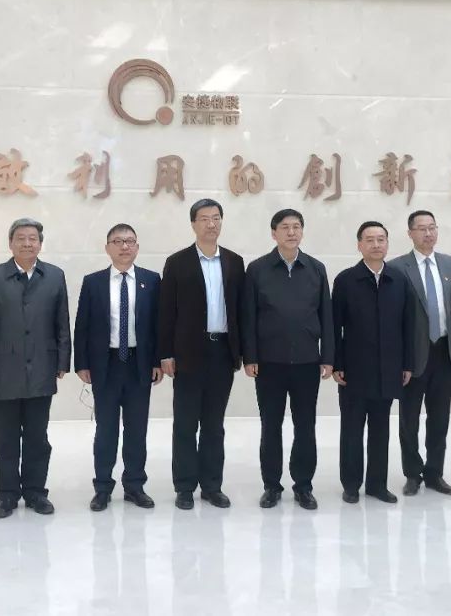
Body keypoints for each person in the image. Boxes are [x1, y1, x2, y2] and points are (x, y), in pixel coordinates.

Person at [0, 218, 70, 518]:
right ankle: (6, 495)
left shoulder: (54, 276)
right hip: (3, 371)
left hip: (42, 368)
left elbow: (62, 322)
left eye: (33, 238)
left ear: (40, 243)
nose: (27, 243)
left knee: (37, 438)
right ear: (10, 243)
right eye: (21, 238)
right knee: (4, 440)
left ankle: (35, 493)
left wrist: (62, 361)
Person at [241, 209, 333, 510]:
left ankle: (303, 486)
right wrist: (250, 356)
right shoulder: (258, 269)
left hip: (307, 361)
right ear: (274, 233)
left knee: (305, 425)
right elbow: (248, 316)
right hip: (269, 363)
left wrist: (328, 357)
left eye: (296, 227)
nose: (291, 232)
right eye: (285, 227)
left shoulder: (316, 269)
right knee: (271, 426)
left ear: (302, 231)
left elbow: (326, 316)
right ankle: (271, 485)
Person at [159, 198, 245, 510]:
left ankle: (211, 486)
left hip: (222, 351)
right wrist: (165, 353)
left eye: (216, 217)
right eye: (205, 218)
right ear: (193, 224)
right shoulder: (177, 262)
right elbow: (166, 311)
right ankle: (184, 487)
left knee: (214, 424)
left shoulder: (234, 262)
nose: (211, 224)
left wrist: (244, 352)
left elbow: (241, 310)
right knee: (185, 423)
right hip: (187, 353)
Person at [74, 224, 162, 511]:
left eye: (130, 241)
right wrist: (82, 363)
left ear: (137, 246)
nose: (125, 246)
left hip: (139, 364)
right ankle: (102, 487)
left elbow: (158, 325)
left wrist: (157, 361)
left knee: (137, 429)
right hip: (106, 365)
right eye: (118, 241)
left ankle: (135, 486)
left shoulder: (151, 280)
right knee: (106, 430)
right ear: (107, 247)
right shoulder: (93, 282)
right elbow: (82, 325)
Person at [332, 221, 413, 504]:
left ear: (387, 243)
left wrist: (407, 364)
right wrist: (336, 363)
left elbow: (408, 326)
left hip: (388, 369)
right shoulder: (346, 280)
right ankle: (351, 484)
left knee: (381, 429)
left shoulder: (399, 280)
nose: (376, 245)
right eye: (370, 240)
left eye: (381, 239)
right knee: (352, 429)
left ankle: (377, 484)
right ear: (359, 245)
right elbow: (335, 326)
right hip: (354, 369)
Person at [389, 210, 451, 497]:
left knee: (439, 418)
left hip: (444, 351)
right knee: (409, 419)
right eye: (421, 228)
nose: (428, 233)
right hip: (412, 356)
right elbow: (394, 318)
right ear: (410, 233)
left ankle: (435, 473)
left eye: (432, 227)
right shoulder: (397, 267)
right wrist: (399, 359)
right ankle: (412, 473)